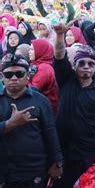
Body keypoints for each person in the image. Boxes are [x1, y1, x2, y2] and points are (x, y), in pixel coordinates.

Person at [52, 24, 95, 188]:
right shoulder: (66, 79)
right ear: (74, 66)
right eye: (81, 63)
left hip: (88, 148)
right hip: (63, 146)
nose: (86, 66)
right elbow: (59, 55)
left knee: (87, 183)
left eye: (90, 63)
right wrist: (60, 35)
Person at [0, 54, 63, 187]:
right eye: (8, 74)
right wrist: (9, 124)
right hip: (4, 173)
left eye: (19, 73)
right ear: (2, 77)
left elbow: (50, 132)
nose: (14, 78)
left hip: (34, 171)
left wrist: (57, 162)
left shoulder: (41, 101)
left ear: (28, 76)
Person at [29, 38, 59, 114]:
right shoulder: (37, 64)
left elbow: (34, 89)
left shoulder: (44, 68)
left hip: (44, 110)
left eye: (32, 50)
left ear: (40, 50)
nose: (29, 52)